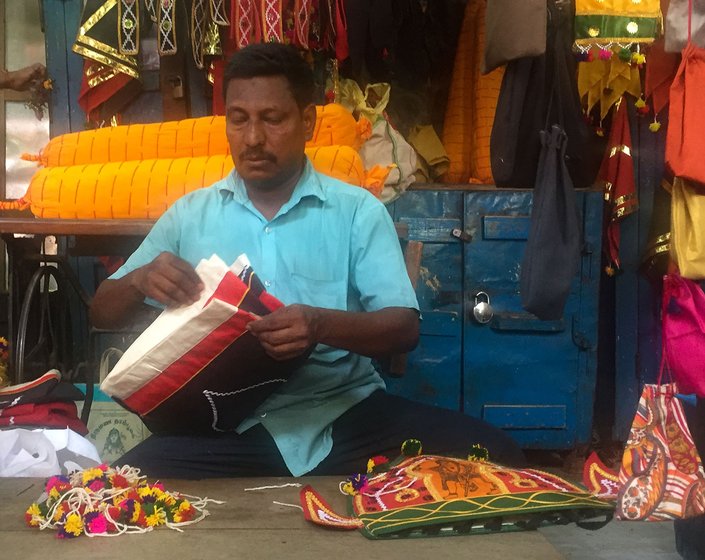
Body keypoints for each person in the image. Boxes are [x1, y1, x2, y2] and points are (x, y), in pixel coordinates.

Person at [89, 42, 524, 478]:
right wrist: (140, 280)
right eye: (238, 120)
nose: (253, 138)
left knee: (500, 457)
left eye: (272, 119)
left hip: (344, 416)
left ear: (309, 122)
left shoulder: (356, 210)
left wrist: (318, 325)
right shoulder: (189, 215)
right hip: (225, 427)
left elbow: (403, 327)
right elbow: (101, 310)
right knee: (122, 488)